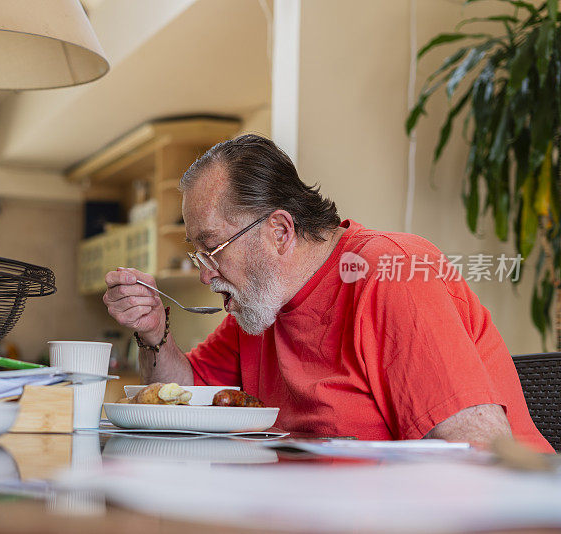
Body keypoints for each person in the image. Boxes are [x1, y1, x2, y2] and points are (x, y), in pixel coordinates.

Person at [103, 134, 553, 452]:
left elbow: (479, 452)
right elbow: (180, 398)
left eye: (212, 249)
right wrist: (153, 331)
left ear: (279, 231)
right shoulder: (261, 307)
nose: (206, 275)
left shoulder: (390, 275)